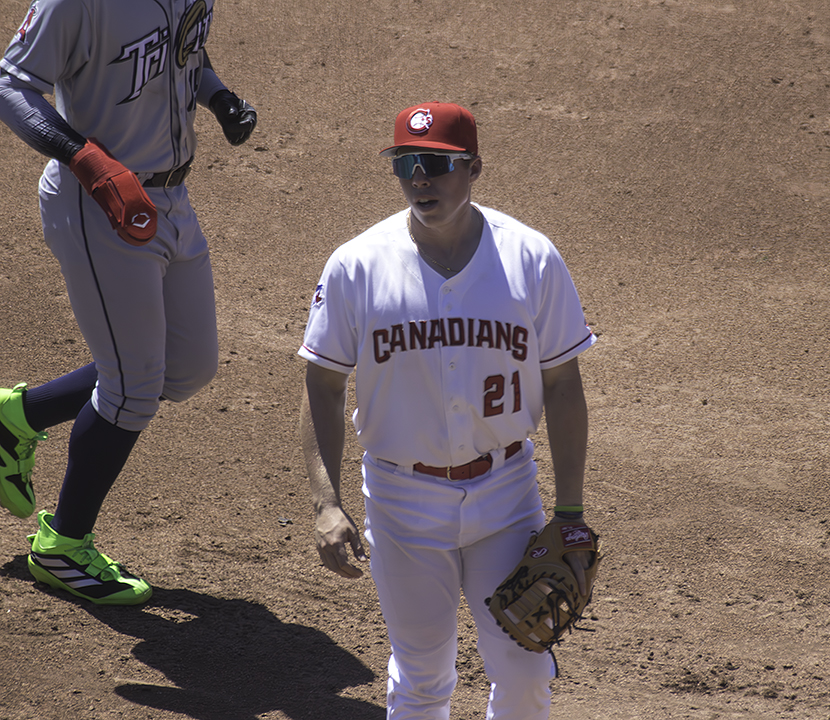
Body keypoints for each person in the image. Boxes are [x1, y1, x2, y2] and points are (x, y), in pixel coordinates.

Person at [299, 101, 596, 719]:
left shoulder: (531, 258)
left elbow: (564, 385)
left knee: (524, 672)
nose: (419, 179)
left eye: (435, 163)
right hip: (402, 500)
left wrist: (569, 512)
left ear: (474, 168)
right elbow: (321, 386)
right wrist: (328, 503)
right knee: (422, 678)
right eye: (405, 163)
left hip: (506, 493)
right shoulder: (357, 265)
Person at [0, 0, 257, 605]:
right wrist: (86, 160)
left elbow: (182, 44)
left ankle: (20, 417)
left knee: (184, 366)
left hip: (170, 197)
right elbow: (13, 82)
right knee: (134, 385)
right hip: (98, 207)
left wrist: (218, 99)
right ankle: (62, 546)